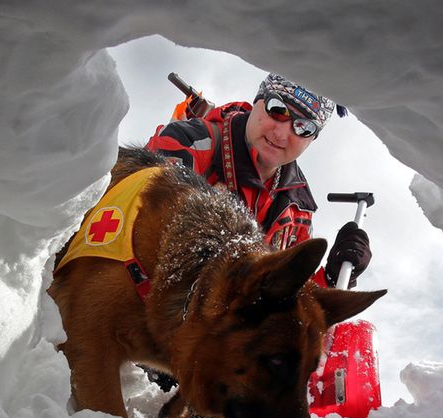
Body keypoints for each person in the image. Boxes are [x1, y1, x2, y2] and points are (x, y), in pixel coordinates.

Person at [146, 73, 371, 289]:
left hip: (224, 324)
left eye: (304, 127)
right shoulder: (188, 143)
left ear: (312, 139)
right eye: (277, 110)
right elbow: (146, 238)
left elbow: (286, 301)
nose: (282, 134)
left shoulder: (298, 210)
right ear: (258, 101)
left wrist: (331, 279)